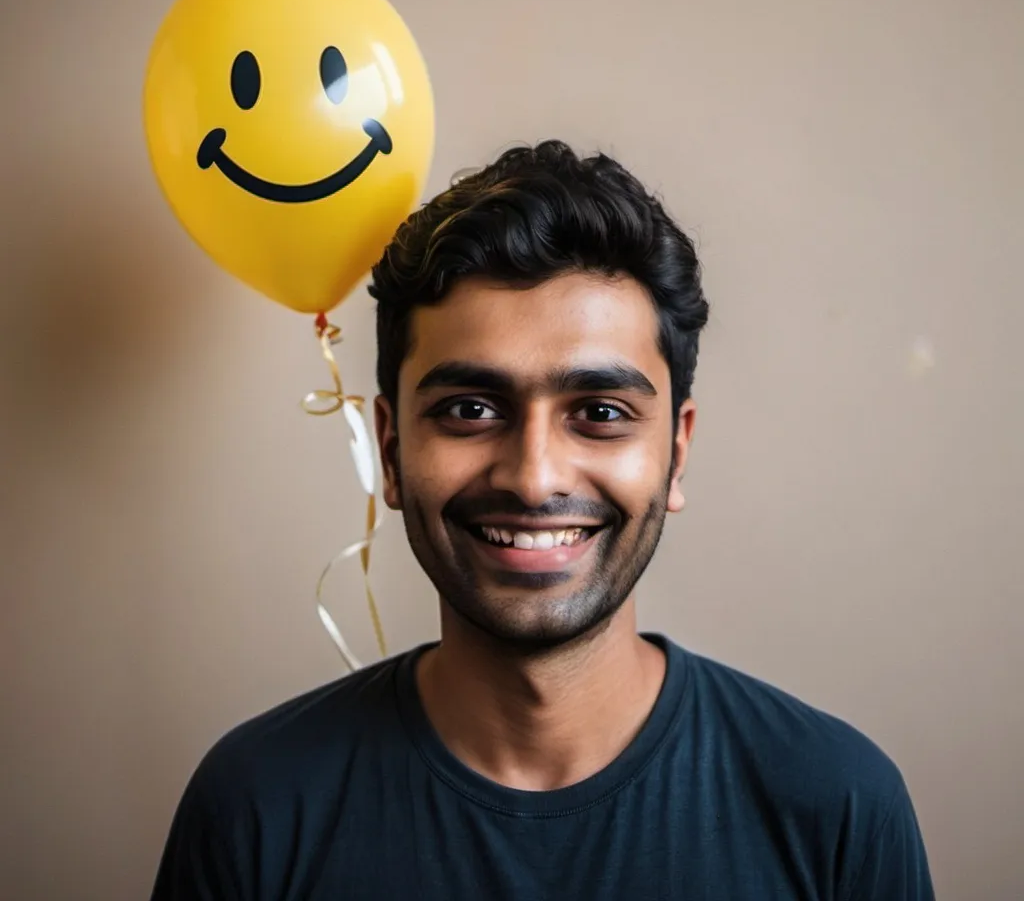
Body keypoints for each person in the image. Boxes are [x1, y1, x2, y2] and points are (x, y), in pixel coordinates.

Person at [150, 141, 934, 900]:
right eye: (469, 409)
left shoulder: (838, 808)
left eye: (598, 412)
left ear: (676, 453)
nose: (533, 477)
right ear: (390, 449)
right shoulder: (253, 809)